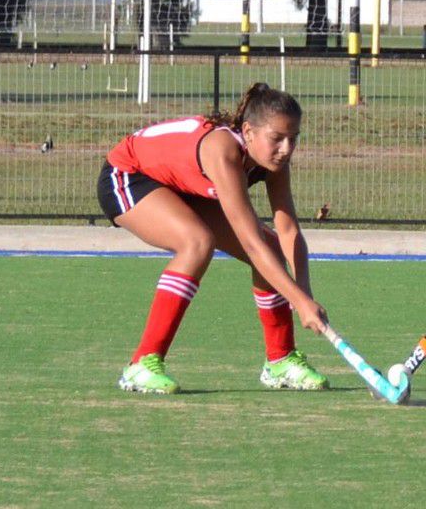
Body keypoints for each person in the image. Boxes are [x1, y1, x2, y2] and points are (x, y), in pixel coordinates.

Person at [97, 83, 329, 394]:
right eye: (277, 139)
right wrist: (299, 303)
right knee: (197, 242)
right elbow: (250, 243)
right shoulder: (223, 151)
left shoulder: (274, 161)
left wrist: (305, 292)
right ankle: (142, 364)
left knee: (271, 245)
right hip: (129, 176)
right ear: (248, 132)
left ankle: (280, 360)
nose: (286, 148)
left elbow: (287, 230)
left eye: (294, 139)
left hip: (182, 184)